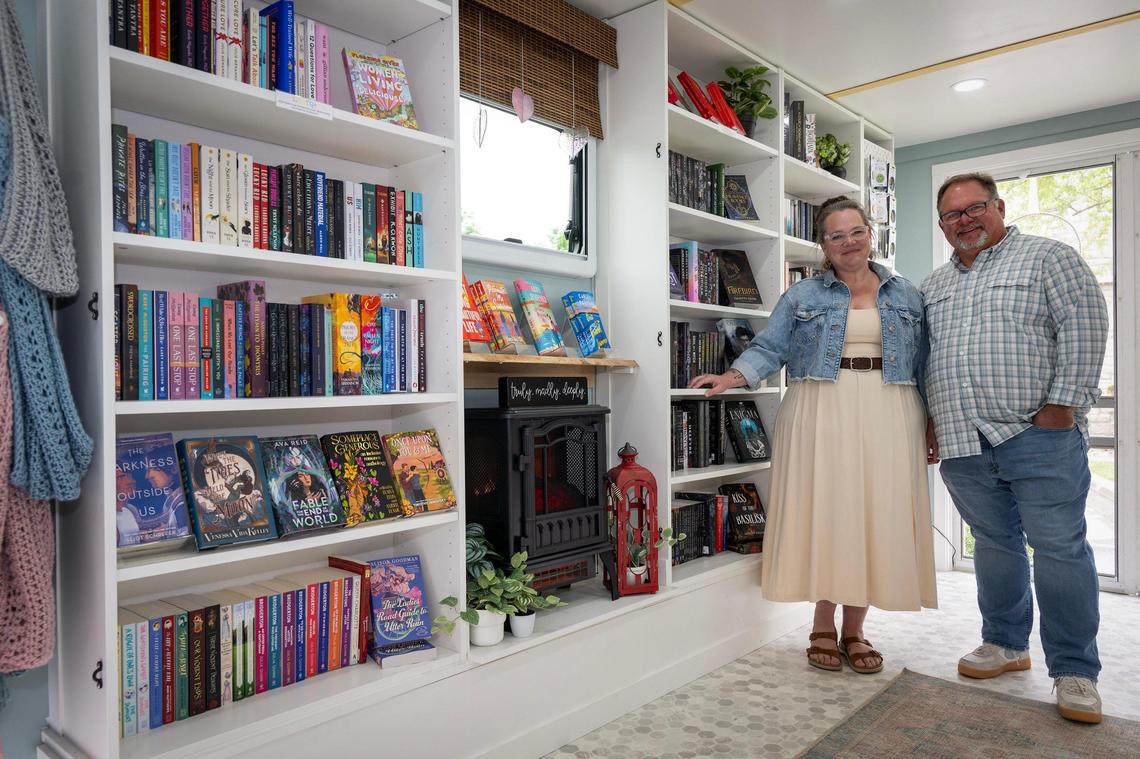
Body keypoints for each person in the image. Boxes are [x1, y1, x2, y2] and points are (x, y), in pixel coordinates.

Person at [690, 196, 937, 674]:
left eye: (856, 232)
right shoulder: (802, 295)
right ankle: (822, 623)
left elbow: (924, 363)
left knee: (874, 512)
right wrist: (731, 377)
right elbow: (769, 348)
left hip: (891, 407)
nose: (849, 243)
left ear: (870, 234)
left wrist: (932, 422)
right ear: (823, 244)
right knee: (830, 510)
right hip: (820, 405)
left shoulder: (908, 294)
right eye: (836, 235)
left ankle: (855, 630)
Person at [923, 172, 1109, 723]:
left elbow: (1085, 328)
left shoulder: (1048, 258)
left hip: (1038, 434)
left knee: (1059, 549)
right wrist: (931, 419)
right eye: (953, 214)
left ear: (999, 207)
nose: (965, 220)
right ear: (942, 225)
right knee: (994, 544)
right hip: (962, 440)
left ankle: (1075, 670)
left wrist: (1063, 405)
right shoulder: (934, 285)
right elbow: (926, 357)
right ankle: (1005, 643)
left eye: (974, 208)